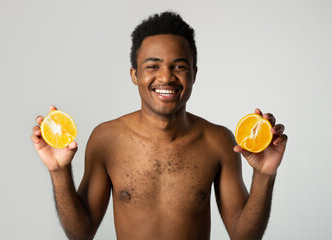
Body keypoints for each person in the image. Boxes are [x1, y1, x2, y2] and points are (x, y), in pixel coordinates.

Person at [31, 11, 287, 240]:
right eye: (153, 66)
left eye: (179, 66)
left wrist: (265, 175)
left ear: (194, 74)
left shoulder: (218, 141)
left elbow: (244, 237)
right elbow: (81, 233)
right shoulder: (106, 139)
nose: (166, 77)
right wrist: (59, 171)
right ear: (135, 75)